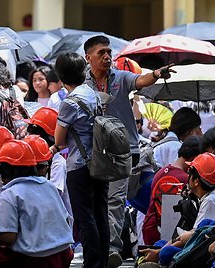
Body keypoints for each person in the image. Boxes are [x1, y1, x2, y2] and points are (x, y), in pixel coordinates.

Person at [83, 35, 175, 267]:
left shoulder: (121, 77)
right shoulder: (82, 84)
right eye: (101, 53)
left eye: (109, 52)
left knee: (115, 199)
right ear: (88, 58)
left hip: (123, 151)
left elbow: (141, 81)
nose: (106, 56)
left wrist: (155, 74)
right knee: (94, 201)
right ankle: (98, 245)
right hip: (92, 152)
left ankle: (112, 247)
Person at [48, 52, 108, 268]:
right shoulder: (92, 94)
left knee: (85, 216)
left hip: (80, 165)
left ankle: (92, 263)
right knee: (101, 213)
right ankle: (102, 260)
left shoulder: (69, 103)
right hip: (101, 161)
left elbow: (60, 140)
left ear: (61, 76)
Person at [0, 140, 73, 267]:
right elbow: (66, 220)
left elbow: (8, 237)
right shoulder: (48, 185)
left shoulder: (9, 195)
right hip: (63, 253)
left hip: (34, 259)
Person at [142, 136, 202, 245]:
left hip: (150, 227)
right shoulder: (186, 180)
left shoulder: (160, 172)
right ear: (194, 158)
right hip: (169, 235)